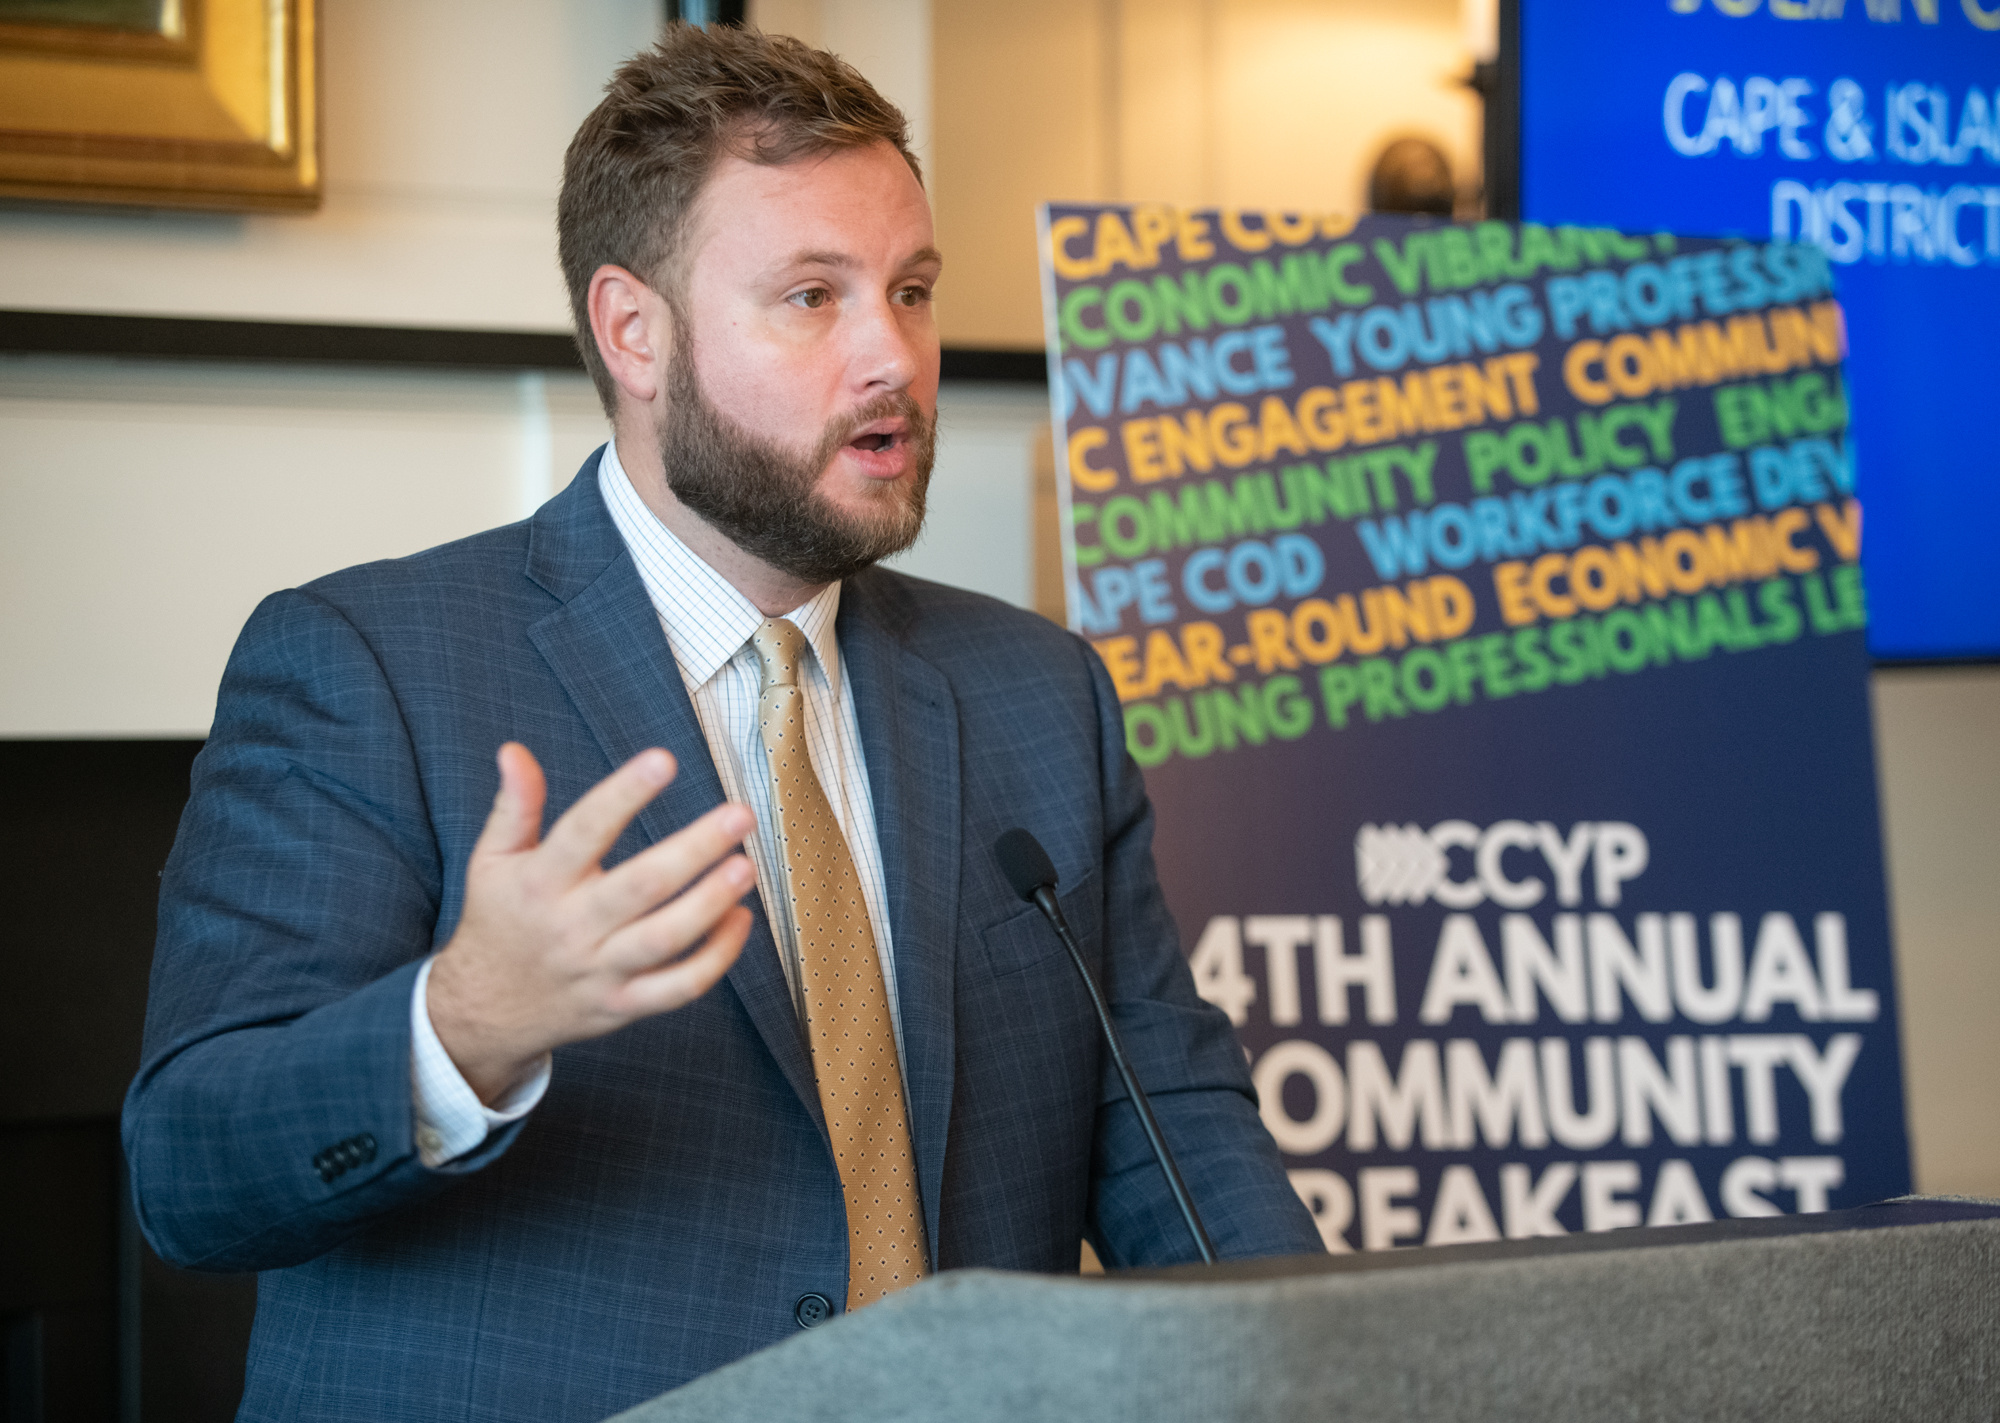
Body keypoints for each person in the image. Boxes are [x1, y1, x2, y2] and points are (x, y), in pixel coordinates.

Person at [123, 24, 1320, 1421]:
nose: (894, 355)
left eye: (913, 289)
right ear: (637, 331)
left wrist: (1338, 1378)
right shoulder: (367, 666)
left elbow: (1172, 1135)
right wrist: (463, 1026)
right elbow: (190, 1178)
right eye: (812, 297)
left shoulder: (1037, 693)